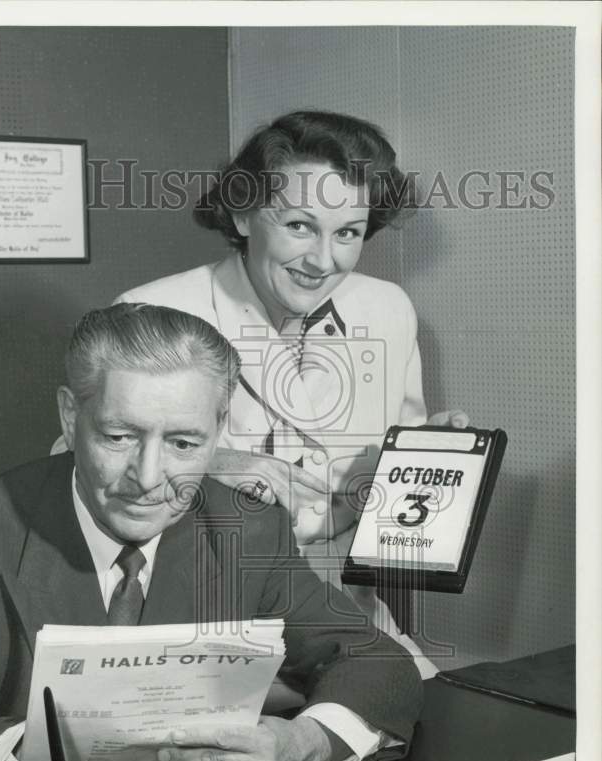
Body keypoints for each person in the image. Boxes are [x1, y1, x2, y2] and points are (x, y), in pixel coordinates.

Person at [0, 303, 422, 761]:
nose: (149, 479)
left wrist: (306, 743)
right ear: (70, 418)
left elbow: (379, 662)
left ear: (219, 431)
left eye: (183, 443)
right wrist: (55, 750)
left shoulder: (245, 527)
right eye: (120, 436)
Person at [109, 111, 469, 674]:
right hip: (207, 609)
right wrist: (211, 461)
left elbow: (392, 473)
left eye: (347, 233)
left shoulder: (387, 308)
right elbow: (79, 470)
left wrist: (427, 460)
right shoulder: (154, 312)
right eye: (300, 225)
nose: (324, 260)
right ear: (244, 213)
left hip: (348, 603)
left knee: (428, 722)